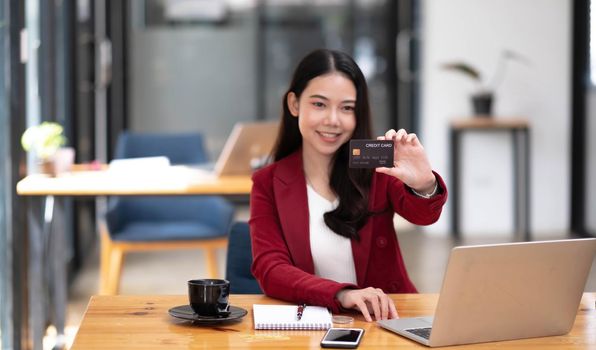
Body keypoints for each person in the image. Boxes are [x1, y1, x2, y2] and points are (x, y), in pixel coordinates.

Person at [249, 49, 447, 322]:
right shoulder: (268, 182)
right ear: (294, 104)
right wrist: (342, 294)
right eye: (319, 104)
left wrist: (424, 183)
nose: (333, 120)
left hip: (387, 320)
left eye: (347, 108)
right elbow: (270, 269)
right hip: (312, 326)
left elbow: (424, 216)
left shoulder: (375, 162)